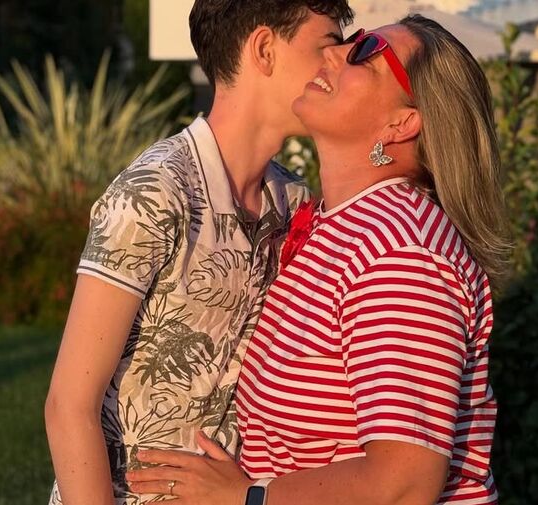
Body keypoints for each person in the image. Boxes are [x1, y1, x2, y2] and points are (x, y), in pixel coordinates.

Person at [125, 14, 512, 505]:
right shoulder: (341, 225)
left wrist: (249, 497)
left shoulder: (401, 253)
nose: (332, 51)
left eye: (364, 53)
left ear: (402, 122)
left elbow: (404, 483)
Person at [44, 1, 354, 504]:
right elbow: (68, 406)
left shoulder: (295, 202)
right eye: (327, 45)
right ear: (264, 49)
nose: (338, 62)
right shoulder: (156, 192)